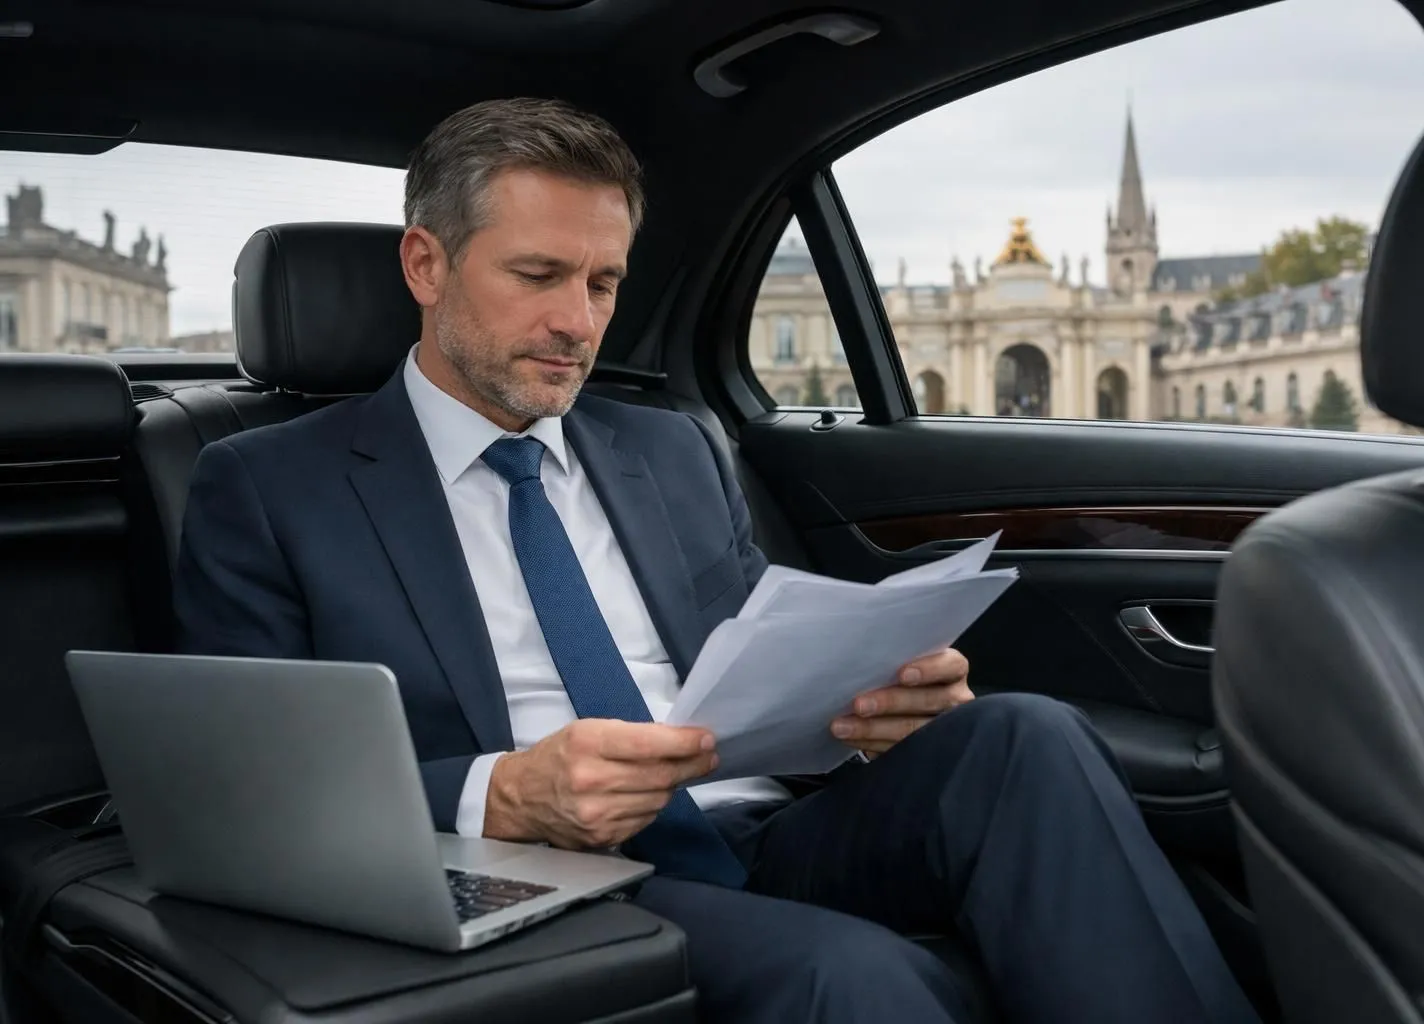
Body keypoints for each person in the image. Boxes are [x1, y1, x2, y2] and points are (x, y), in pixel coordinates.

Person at [174, 97, 1259, 1024]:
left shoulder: (668, 446)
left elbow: (760, 658)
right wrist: (500, 794)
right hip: (550, 876)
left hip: (761, 820)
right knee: (855, 974)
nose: (576, 323)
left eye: (603, 284)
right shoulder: (267, 487)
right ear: (425, 262)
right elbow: (247, 790)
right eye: (539, 274)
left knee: (1023, 731)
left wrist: (872, 707)